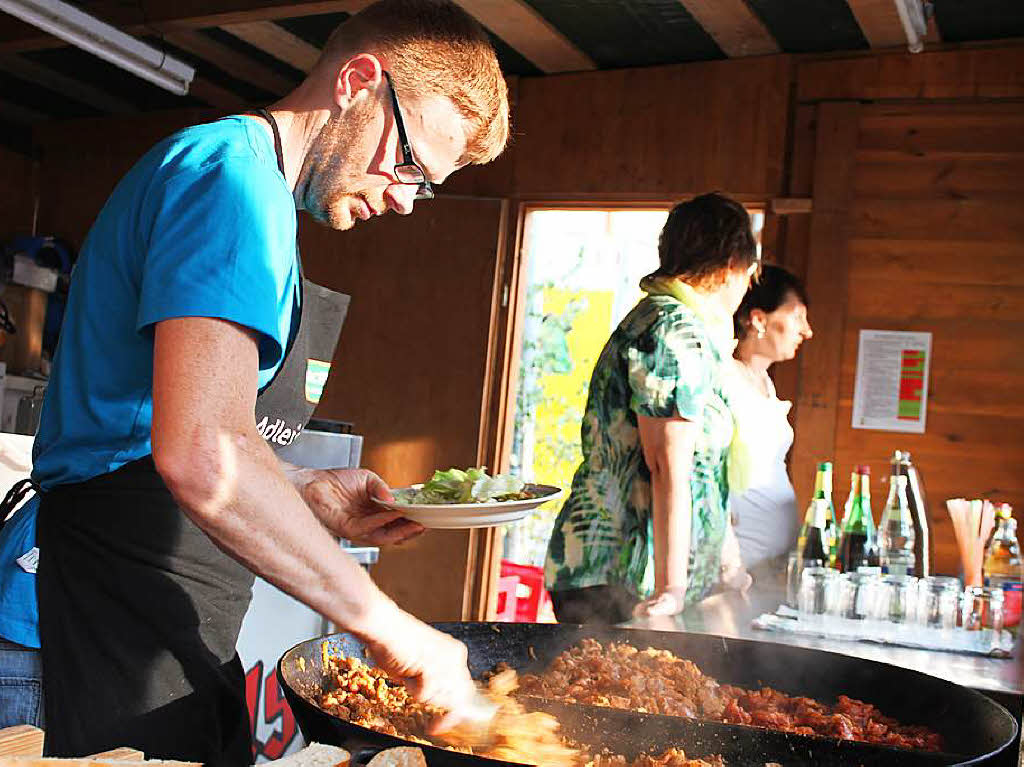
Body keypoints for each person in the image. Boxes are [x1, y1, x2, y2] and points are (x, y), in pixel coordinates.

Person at [0, 0, 509, 761]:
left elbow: (172, 425)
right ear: (359, 82)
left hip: (146, 608)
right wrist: (393, 630)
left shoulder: (251, 190)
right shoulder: (230, 185)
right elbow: (201, 452)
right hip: (75, 625)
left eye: (424, 184)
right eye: (408, 163)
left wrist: (303, 490)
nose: (406, 197)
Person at [544, 193, 758, 624]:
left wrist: (726, 563)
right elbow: (667, 463)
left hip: (639, 578)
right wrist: (672, 588)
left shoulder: (690, 329)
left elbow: (707, 474)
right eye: (750, 276)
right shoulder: (672, 328)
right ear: (731, 267)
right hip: (617, 576)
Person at [726, 265, 813, 576]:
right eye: (797, 317)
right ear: (759, 319)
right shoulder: (726, 379)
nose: (806, 331)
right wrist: (730, 560)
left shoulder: (763, 382)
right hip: (739, 567)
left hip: (772, 564)